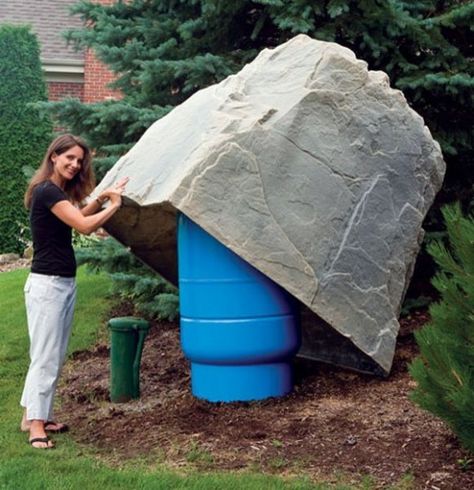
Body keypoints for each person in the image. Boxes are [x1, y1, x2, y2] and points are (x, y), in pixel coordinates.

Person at [20, 134, 129, 449]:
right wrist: (114, 205)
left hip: (59, 283)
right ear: (54, 156)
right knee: (46, 356)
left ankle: (34, 415)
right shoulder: (46, 191)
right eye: (69, 158)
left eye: (79, 160)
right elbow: (84, 226)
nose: (75, 164)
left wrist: (104, 197)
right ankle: (37, 427)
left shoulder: (56, 193)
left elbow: (76, 216)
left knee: (48, 353)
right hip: (48, 285)